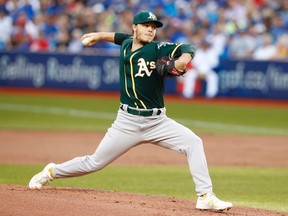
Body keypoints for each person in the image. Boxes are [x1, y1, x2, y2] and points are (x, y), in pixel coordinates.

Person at [29, 11, 233, 212]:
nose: (150, 30)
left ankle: (205, 196)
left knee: (193, 142)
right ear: (134, 28)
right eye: (146, 26)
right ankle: (51, 171)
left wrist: (182, 60)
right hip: (127, 122)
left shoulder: (158, 49)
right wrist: (99, 35)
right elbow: (119, 37)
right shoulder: (127, 43)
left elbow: (188, 47)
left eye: (153, 28)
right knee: (94, 162)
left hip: (158, 122)